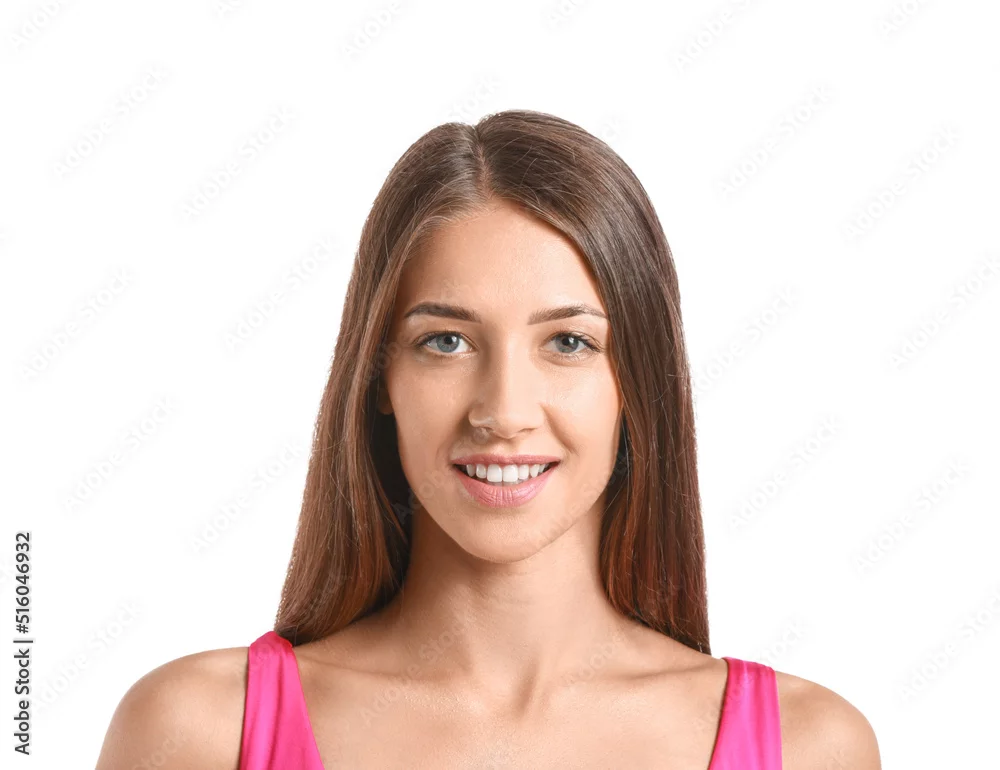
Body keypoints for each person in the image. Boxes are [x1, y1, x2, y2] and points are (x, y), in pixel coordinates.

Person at [96, 109, 880, 769]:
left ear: (637, 382)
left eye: (568, 343)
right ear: (379, 378)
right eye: (445, 342)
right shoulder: (195, 734)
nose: (503, 412)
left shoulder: (810, 747)